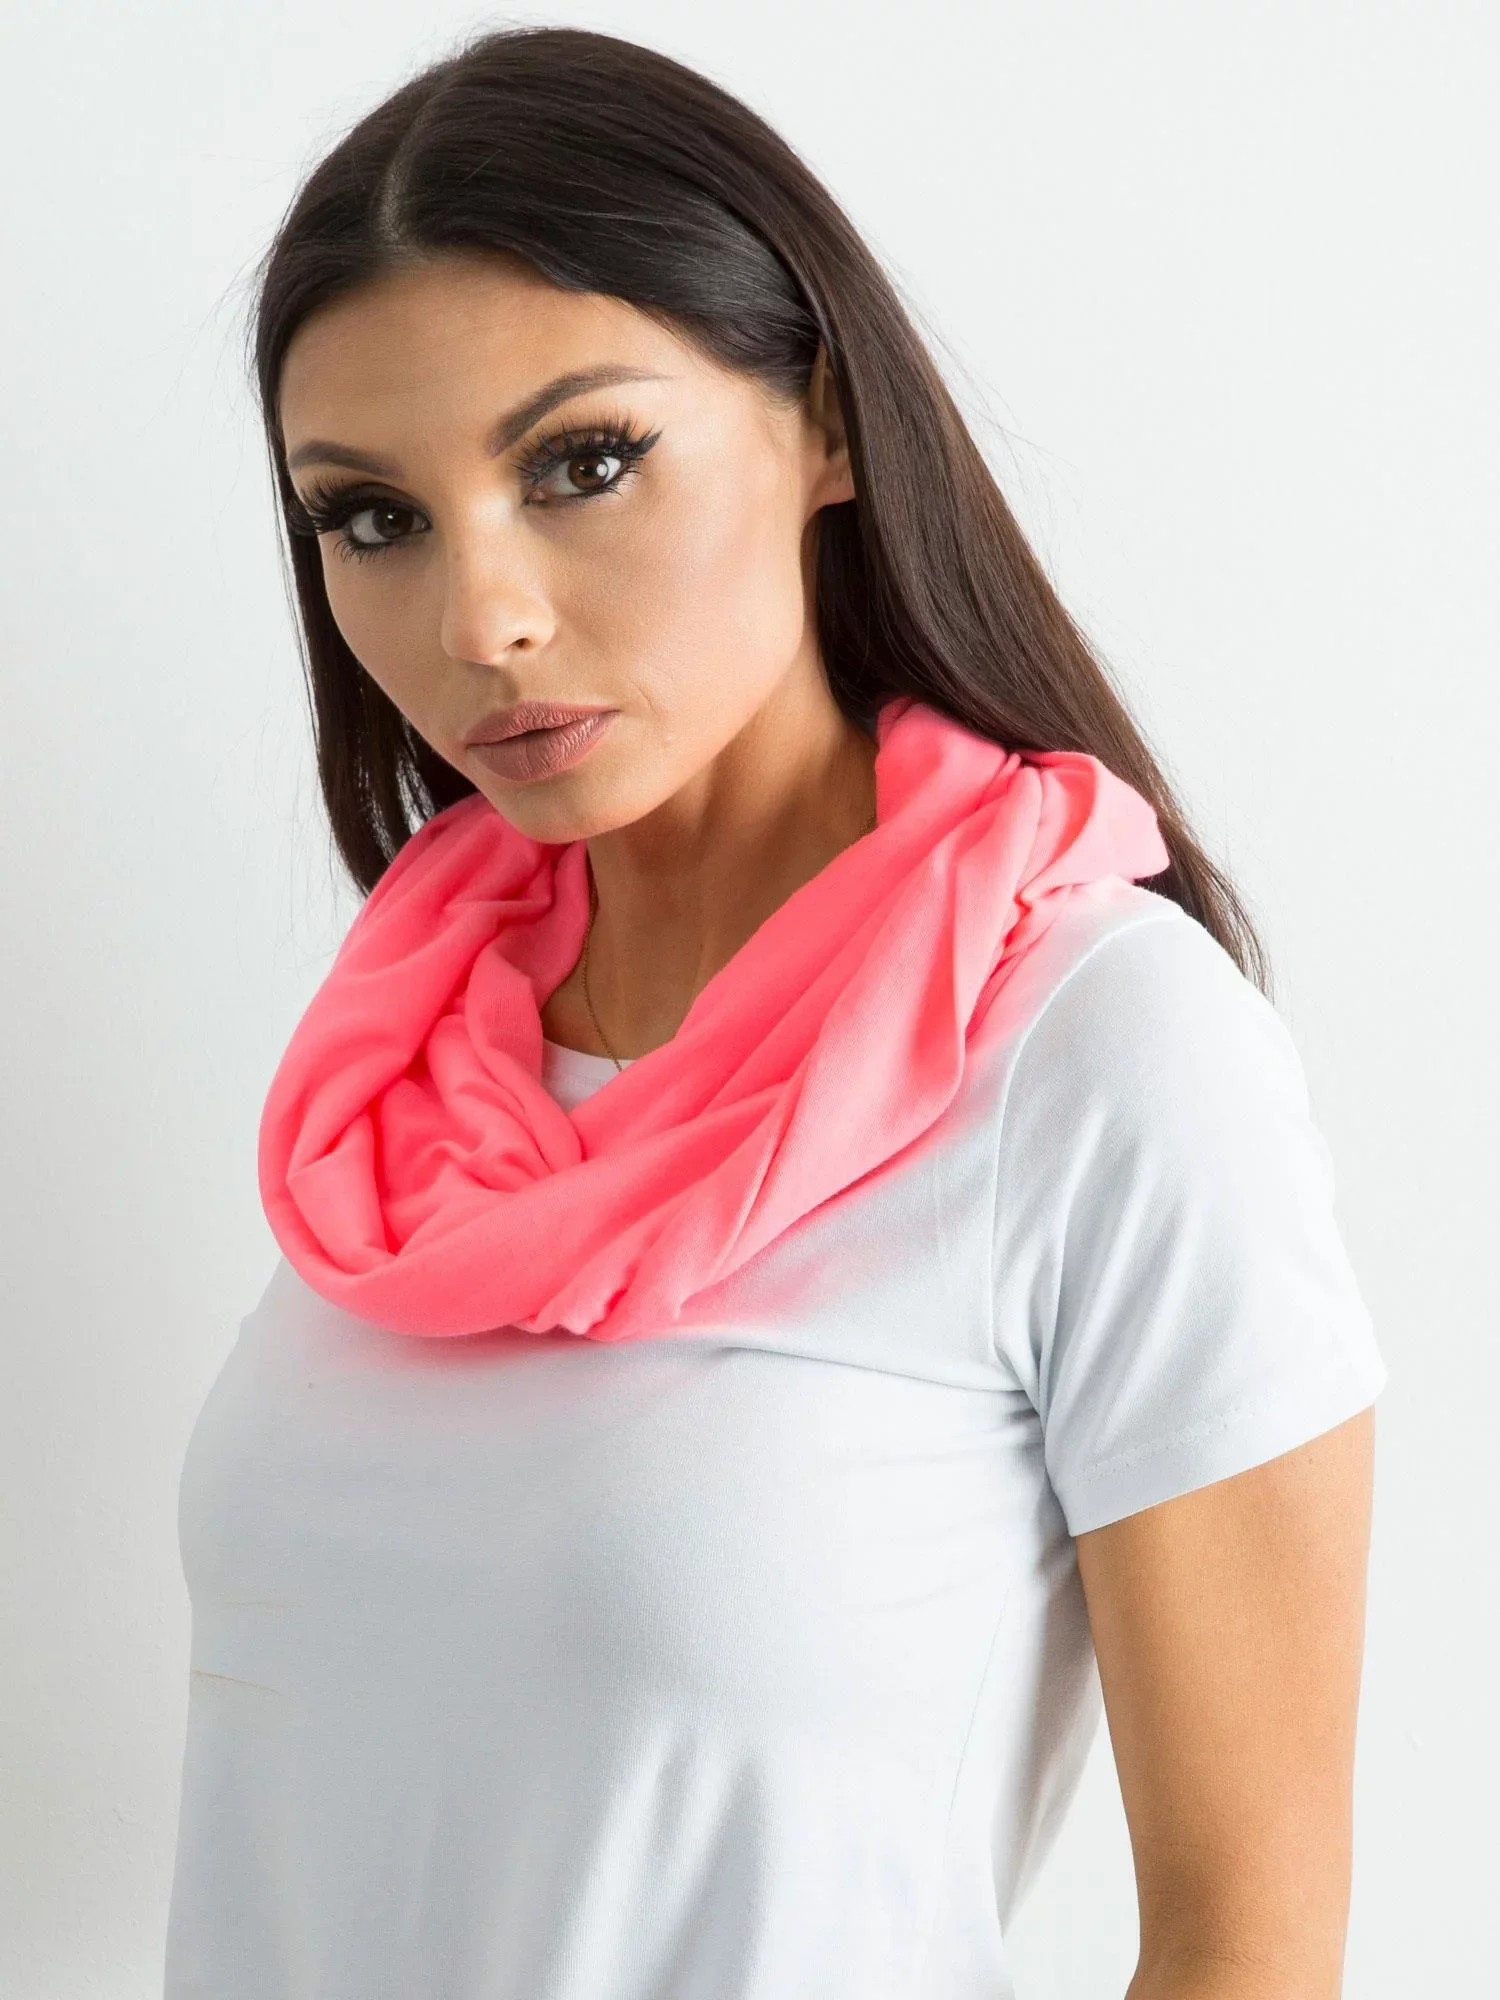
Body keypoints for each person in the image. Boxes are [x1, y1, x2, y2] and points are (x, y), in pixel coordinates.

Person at [164, 25, 1387, 2000]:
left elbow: (1250, 1943)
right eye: (374, 517)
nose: (481, 619)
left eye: (583, 463)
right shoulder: (398, 1065)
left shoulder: (1104, 1051)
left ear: (826, 424)